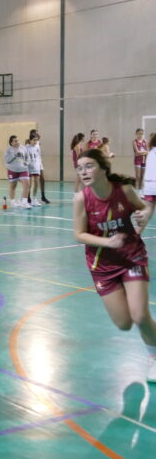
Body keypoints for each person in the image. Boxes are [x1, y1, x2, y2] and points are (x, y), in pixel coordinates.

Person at [73, 148, 156, 382]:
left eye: (89, 166)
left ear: (102, 168)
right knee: (124, 324)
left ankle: (155, 358)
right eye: (80, 168)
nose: (84, 172)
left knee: (140, 316)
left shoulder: (124, 190)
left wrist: (144, 217)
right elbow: (79, 234)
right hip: (102, 266)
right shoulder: (82, 199)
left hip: (132, 256)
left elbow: (144, 208)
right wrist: (107, 242)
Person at [5, 135, 30, 209]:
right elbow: (7, 160)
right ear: (11, 142)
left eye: (18, 140)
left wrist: (27, 162)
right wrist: (15, 155)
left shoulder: (23, 148)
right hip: (12, 170)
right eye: (15, 141)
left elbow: (28, 157)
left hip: (23, 169)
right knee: (13, 186)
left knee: (27, 184)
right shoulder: (8, 150)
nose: (17, 142)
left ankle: (24, 202)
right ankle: (13, 202)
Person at [29, 129, 50, 204]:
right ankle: (28, 197)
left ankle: (43, 196)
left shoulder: (38, 142)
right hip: (31, 163)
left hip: (38, 162)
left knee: (42, 179)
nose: (39, 135)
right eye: (37, 133)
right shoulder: (28, 142)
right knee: (30, 182)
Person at [24, 135, 42, 207]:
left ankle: (34, 199)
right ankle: (27, 200)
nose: (35, 141)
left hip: (36, 167)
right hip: (29, 168)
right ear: (30, 140)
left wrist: (39, 164)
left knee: (37, 184)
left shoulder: (37, 146)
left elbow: (39, 156)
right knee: (29, 185)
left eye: (36, 140)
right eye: (34, 140)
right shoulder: (26, 147)